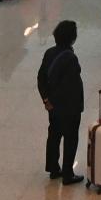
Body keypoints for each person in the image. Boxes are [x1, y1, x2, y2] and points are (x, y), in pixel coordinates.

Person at [38, 19, 85, 183]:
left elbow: (41, 78)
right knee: (71, 139)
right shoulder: (70, 58)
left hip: (52, 105)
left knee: (54, 135)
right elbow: (71, 87)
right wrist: (77, 106)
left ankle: (53, 168)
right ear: (72, 38)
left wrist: (46, 99)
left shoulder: (49, 53)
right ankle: (67, 174)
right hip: (68, 108)